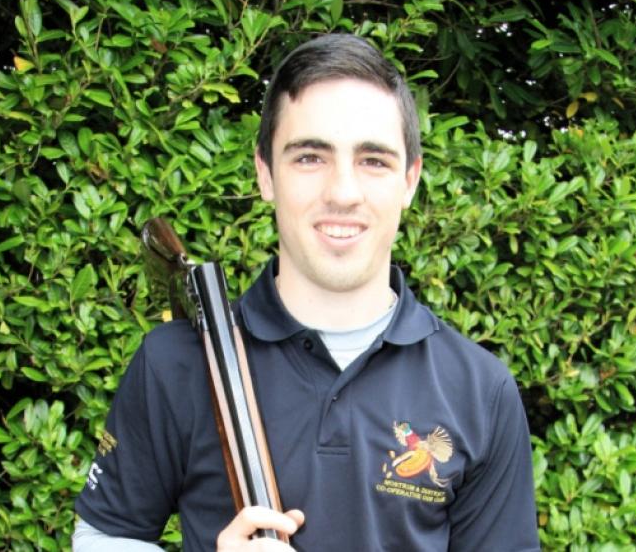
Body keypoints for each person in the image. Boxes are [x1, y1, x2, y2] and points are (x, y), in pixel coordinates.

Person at [73, 33, 540, 551]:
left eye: (374, 160)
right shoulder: (176, 362)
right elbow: (103, 536)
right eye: (310, 157)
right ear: (265, 174)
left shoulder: (479, 390)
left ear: (409, 180)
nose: (342, 191)